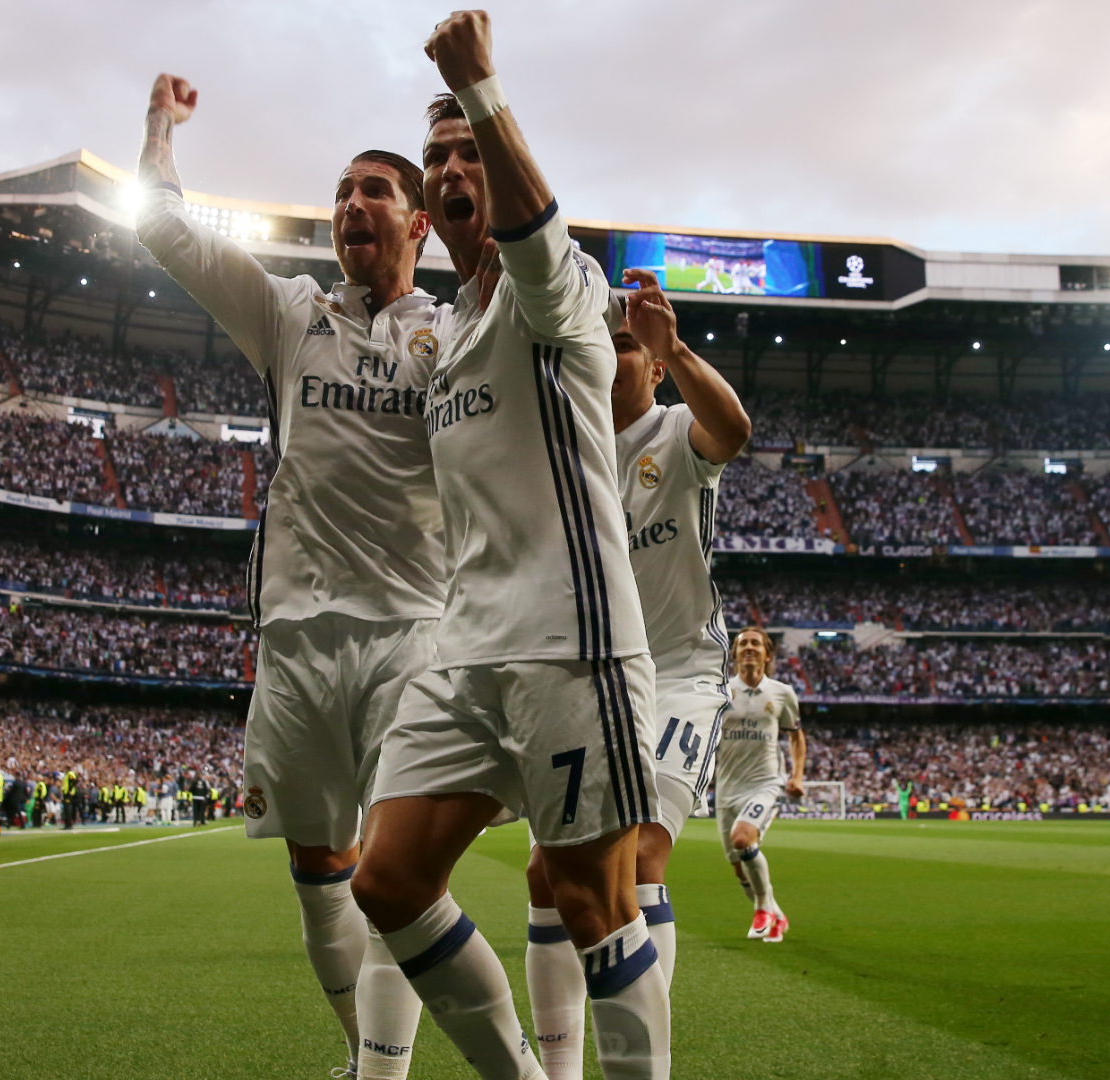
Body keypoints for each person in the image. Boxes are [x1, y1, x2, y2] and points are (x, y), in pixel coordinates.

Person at [351, 14, 668, 1080]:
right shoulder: (445, 336)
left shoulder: (558, 288)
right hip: (464, 650)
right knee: (386, 882)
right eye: (436, 157)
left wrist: (479, 87)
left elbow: (535, 228)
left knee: (590, 901)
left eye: (467, 154)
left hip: (571, 644)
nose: (450, 170)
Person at [135, 68, 443, 1080]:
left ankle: (385, 1076)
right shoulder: (288, 312)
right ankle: (364, 1053)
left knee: (396, 876)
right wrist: (160, 131)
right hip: (297, 633)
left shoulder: (455, 337)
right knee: (321, 874)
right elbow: (166, 234)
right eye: (344, 191)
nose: (352, 204)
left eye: (375, 192)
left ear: (419, 224)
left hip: (414, 631)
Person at [522, 267, 750, 1076]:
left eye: (626, 347)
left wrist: (675, 345)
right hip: (597, 682)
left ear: (652, 368)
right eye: (606, 345)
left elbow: (734, 430)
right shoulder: (567, 453)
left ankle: (642, 1065)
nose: (614, 359)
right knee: (546, 872)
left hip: (682, 673)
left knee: (642, 854)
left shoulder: (676, 435)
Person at [715, 628, 805, 944]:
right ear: (735, 653)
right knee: (740, 868)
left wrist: (796, 776)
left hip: (765, 783)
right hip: (727, 789)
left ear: (767, 655)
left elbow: (795, 735)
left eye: (755, 643)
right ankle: (776, 915)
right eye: (743, 643)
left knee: (743, 839)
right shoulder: (721, 692)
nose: (749, 647)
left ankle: (763, 908)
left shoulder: (782, 693)